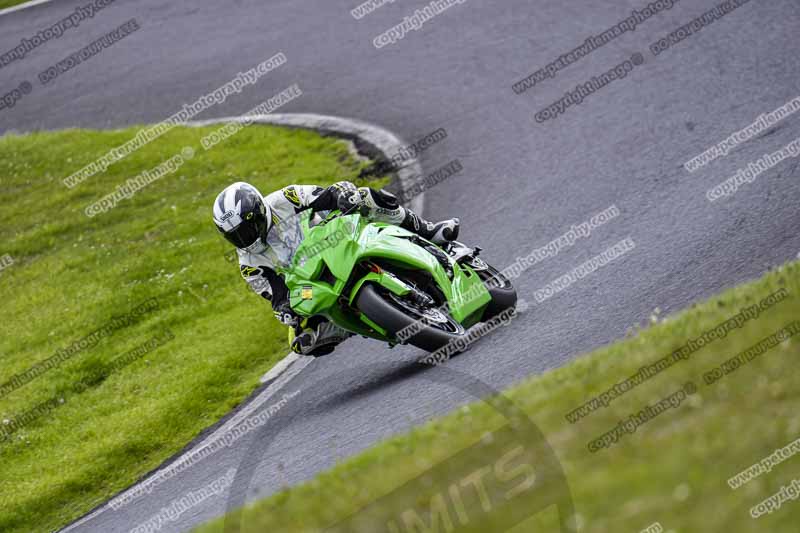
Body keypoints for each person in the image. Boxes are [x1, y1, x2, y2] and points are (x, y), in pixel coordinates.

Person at [212, 181, 460, 356]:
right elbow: (276, 296)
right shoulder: (248, 264)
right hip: (312, 282)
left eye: (246, 228)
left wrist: (342, 195)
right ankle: (368, 318)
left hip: (334, 240)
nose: (245, 238)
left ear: (259, 212)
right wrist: (286, 311)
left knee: (364, 196)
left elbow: (327, 195)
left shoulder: (285, 198)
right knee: (301, 342)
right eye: (235, 236)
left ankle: (428, 230)